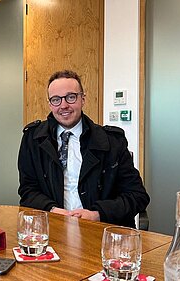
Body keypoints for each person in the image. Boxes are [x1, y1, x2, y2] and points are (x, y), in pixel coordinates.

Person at [17, 70, 149, 228]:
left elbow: (137, 196)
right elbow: (28, 191)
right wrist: (51, 210)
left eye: (71, 97)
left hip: (100, 230)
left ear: (83, 99)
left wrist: (97, 214)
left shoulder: (112, 141)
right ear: (50, 104)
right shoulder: (32, 139)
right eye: (56, 100)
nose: (64, 105)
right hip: (52, 228)